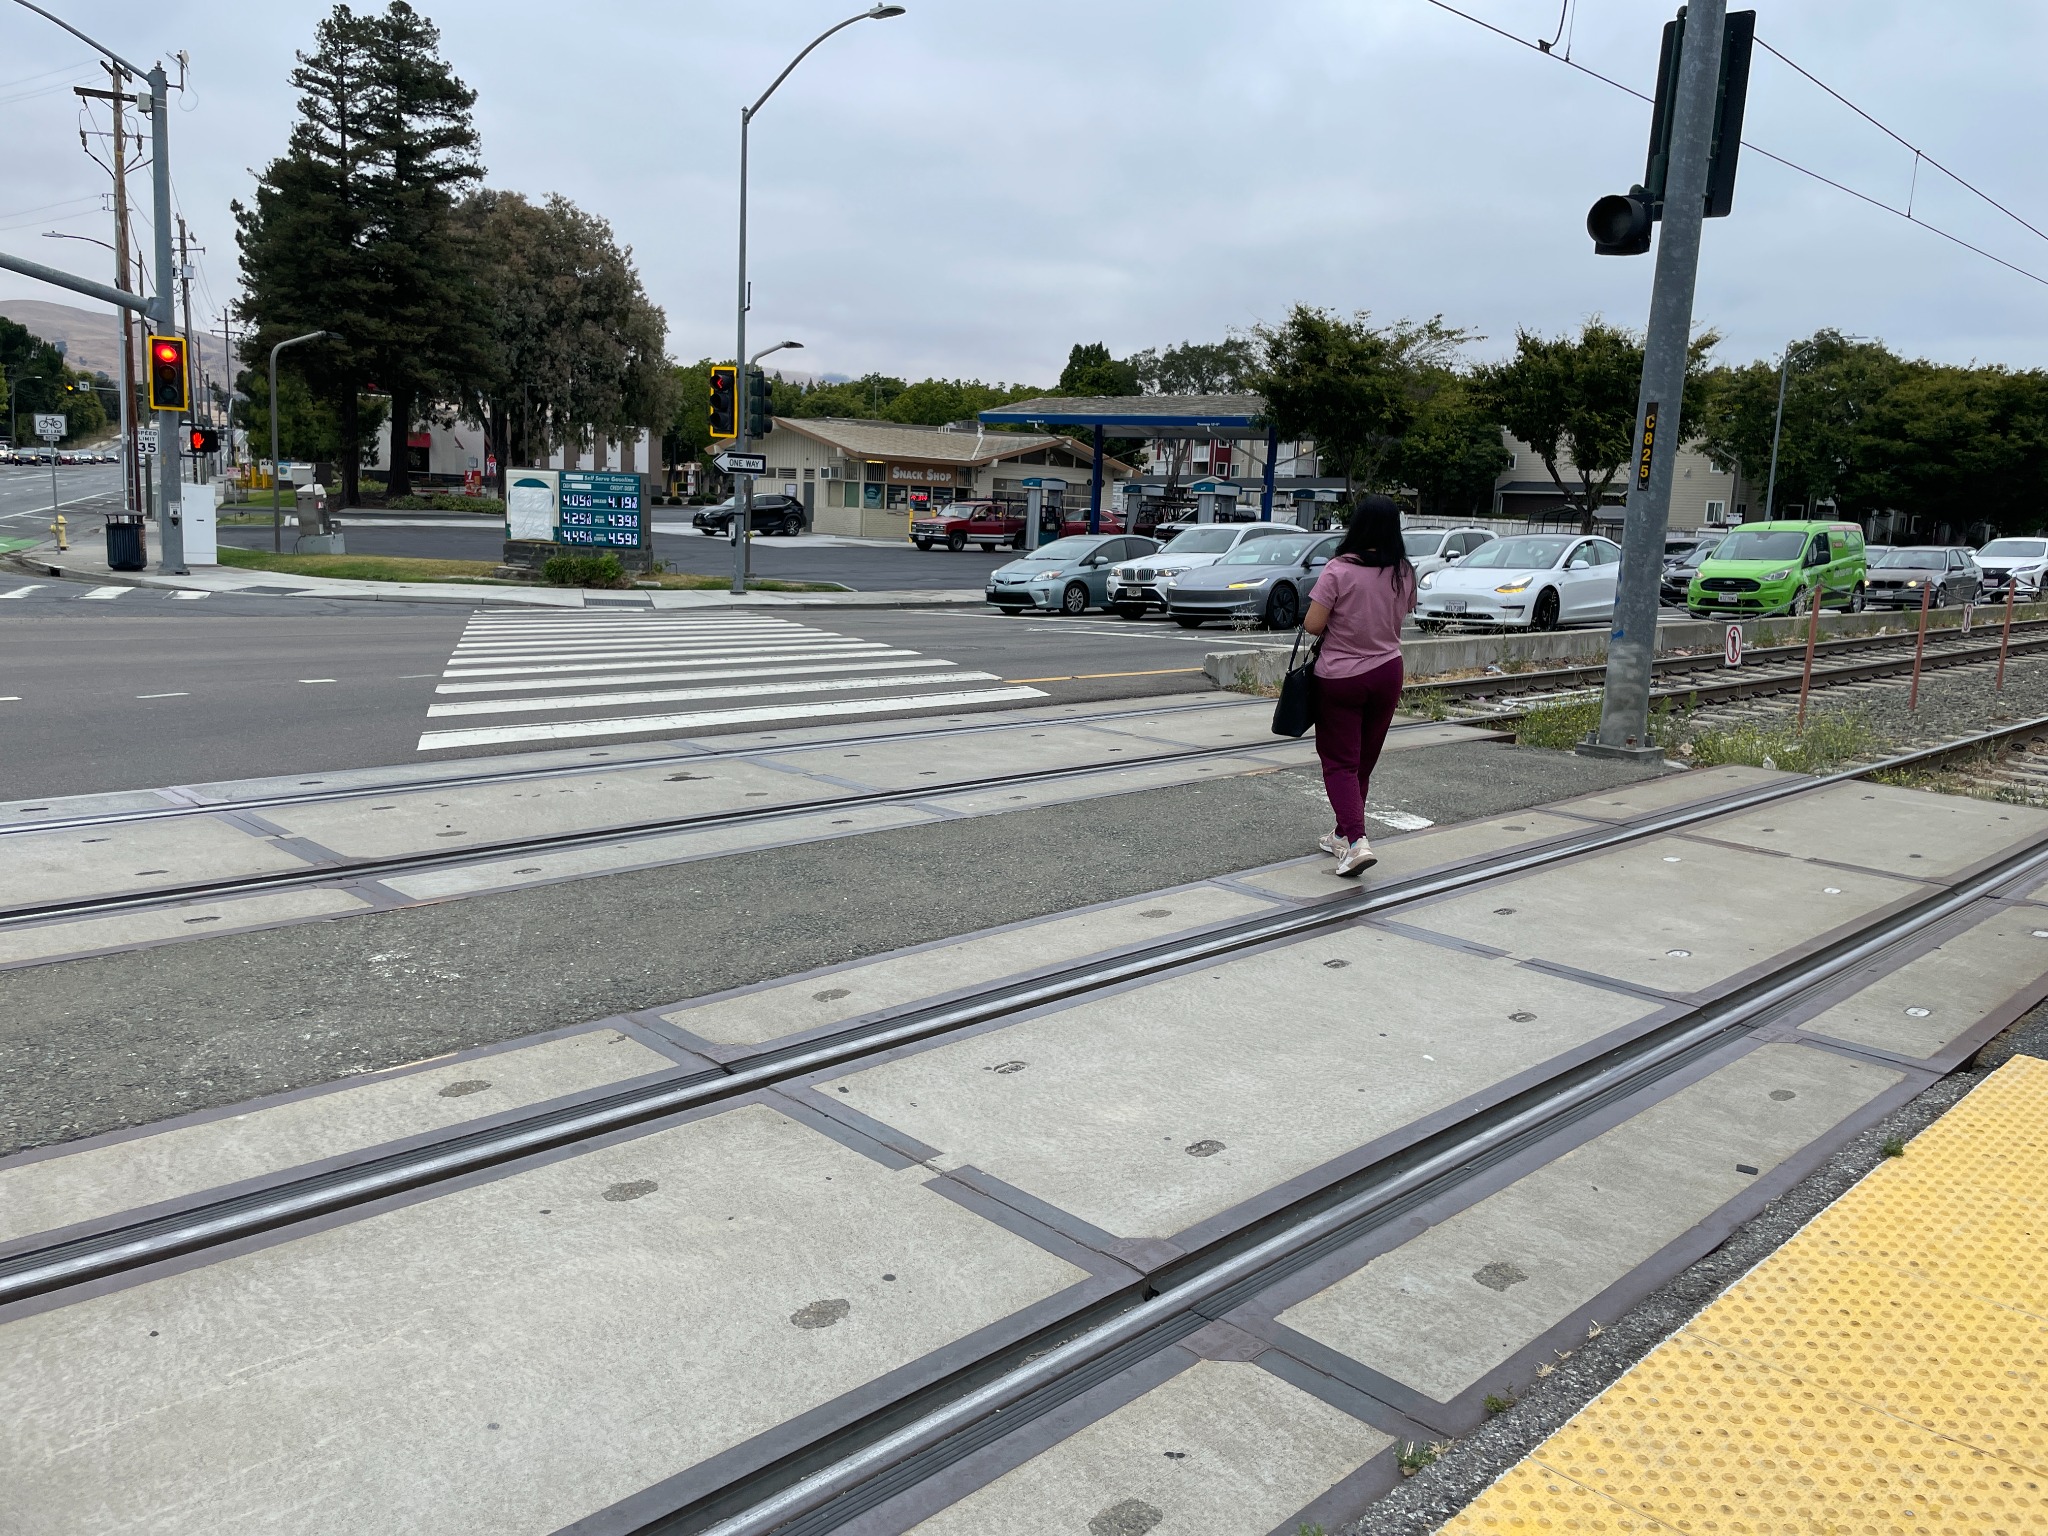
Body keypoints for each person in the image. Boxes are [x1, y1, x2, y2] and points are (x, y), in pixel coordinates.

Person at [1302, 494, 1415, 877]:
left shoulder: (1339, 569)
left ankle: (1355, 843)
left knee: (1339, 763)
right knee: (1362, 762)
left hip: (1341, 678)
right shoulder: (1403, 571)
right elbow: (1402, 613)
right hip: (1387, 672)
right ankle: (1341, 833)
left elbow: (1313, 625)